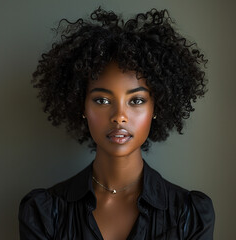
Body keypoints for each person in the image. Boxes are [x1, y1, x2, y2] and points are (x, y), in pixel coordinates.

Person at [18, 7, 215, 240]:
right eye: (102, 100)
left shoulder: (189, 215)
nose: (119, 116)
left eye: (137, 100)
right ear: (81, 106)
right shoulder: (44, 213)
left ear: (156, 107)